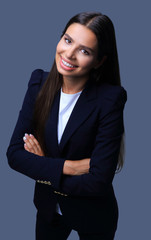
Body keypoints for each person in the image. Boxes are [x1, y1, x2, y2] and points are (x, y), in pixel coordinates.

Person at [7, 11, 127, 240]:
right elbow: (14, 155)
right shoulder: (38, 84)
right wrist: (70, 167)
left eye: (85, 51)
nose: (69, 54)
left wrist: (42, 165)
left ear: (99, 61)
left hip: (93, 214)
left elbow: (98, 181)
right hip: (48, 210)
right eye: (68, 40)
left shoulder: (110, 99)